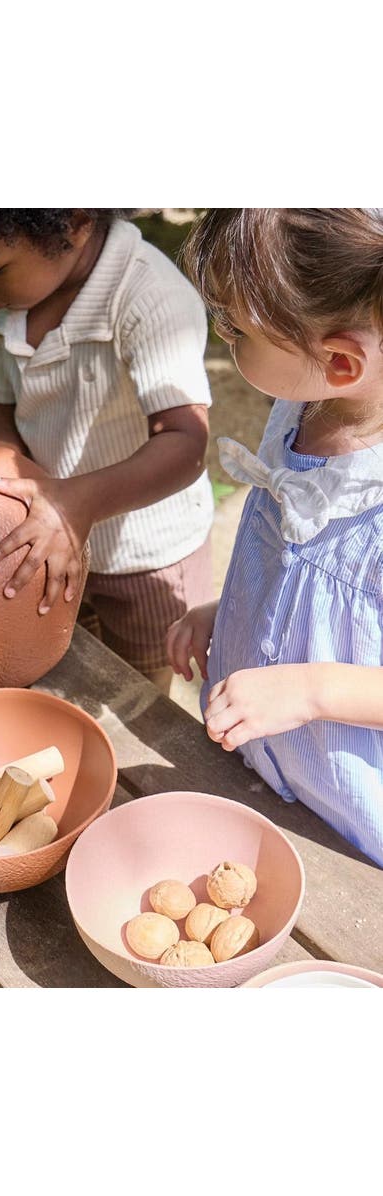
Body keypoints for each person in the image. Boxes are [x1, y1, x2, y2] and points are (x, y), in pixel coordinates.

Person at [0, 209, 215, 693]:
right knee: (69, 666)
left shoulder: (150, 298)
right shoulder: (2, 295)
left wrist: (75, 503)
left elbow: (185, 443)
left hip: (146, 558)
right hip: (46, 536)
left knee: (136, 688)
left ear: (75, 224)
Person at [167, 207, 383, 867]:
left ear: (341, 362)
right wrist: (232, 612)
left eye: (234, 327)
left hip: (348, 823)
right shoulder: (301, 406)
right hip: (263, 767)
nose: (220, 334)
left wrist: (312, 689)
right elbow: (297, 561)